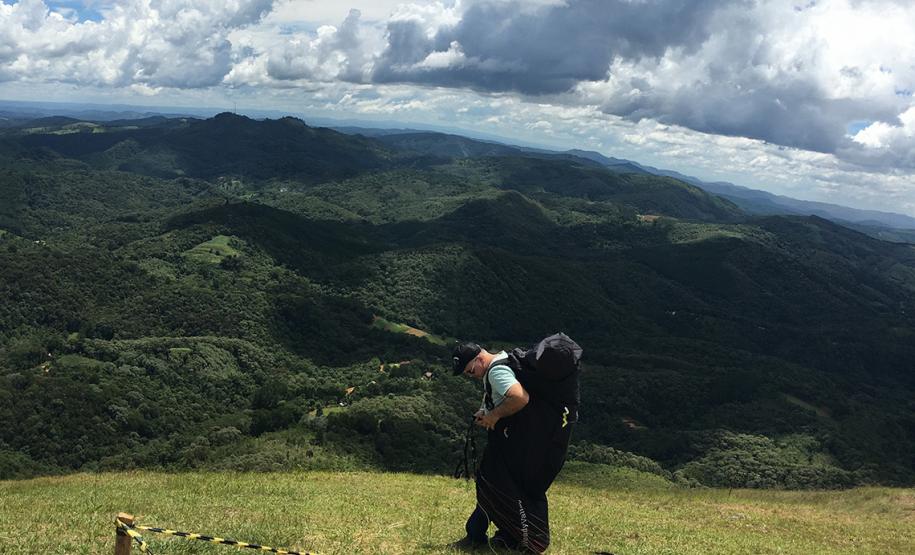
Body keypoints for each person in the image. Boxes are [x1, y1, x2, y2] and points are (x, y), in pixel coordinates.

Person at [450, 341, 543, 552]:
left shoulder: (496, 372)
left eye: (470, 370)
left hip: (511, 442)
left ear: (480, 359)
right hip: (520, 441)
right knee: (495, 487)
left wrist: (494, 415)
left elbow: (520, 397)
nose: (470, 375)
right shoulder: (501, 362)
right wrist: (485, 412)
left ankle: (476, 536)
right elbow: (501, 397)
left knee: (490, 486)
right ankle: (498, 536)